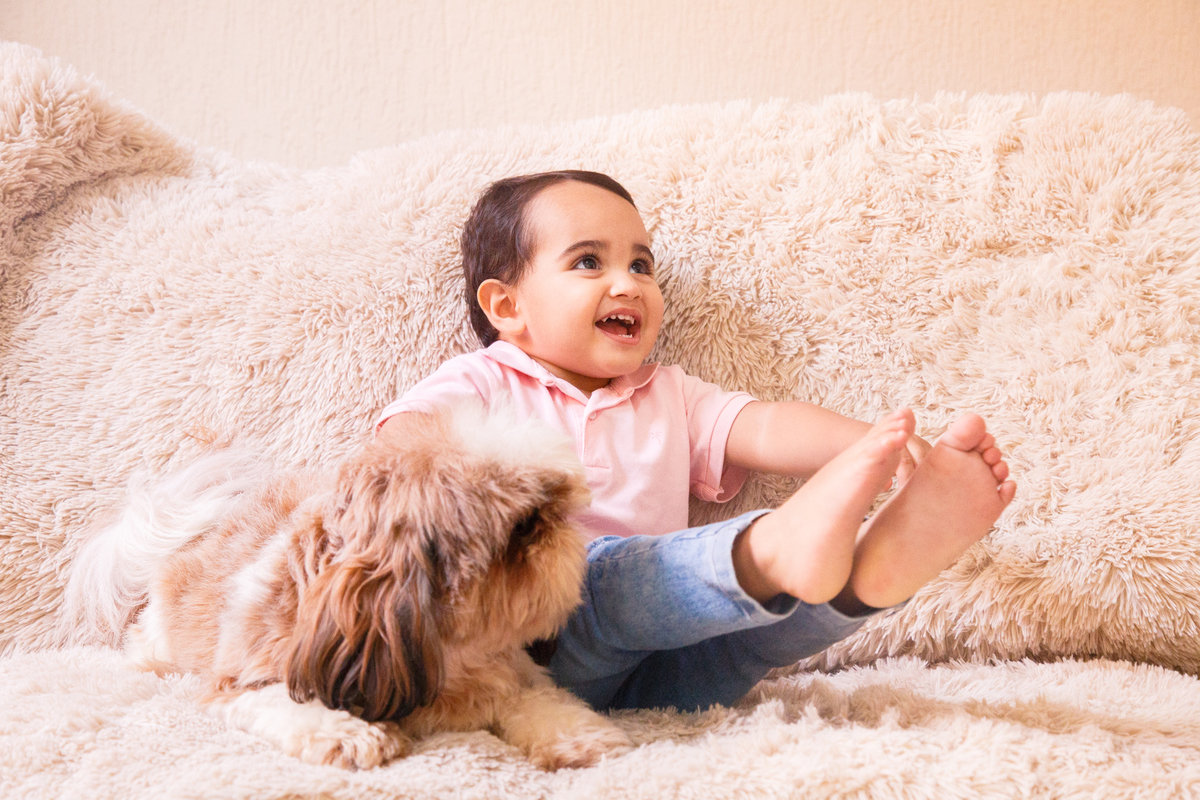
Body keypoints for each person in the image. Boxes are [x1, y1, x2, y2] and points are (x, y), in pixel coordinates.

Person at [375, 170, 1016, 712]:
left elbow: (762, 425)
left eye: (640, 264)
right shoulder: (486, 382)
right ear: (508, 307)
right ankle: (768, 550)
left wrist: (867, 446)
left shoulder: (667, 392)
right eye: (588, 262)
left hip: (662, 673)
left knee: (745, 640)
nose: (627, 283)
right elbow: (402, 452)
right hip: (539, 648)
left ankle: (871, 576)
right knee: (618, 576)